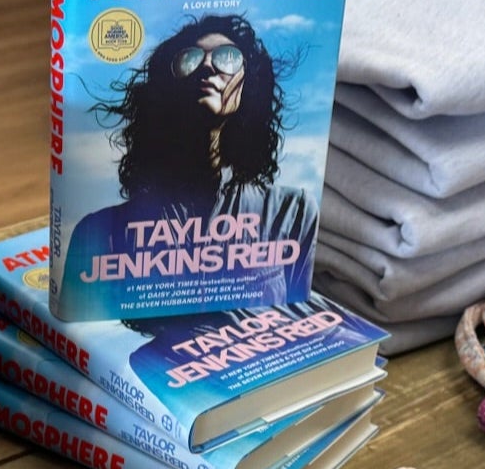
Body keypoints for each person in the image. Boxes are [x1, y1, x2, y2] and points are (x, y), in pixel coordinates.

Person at [63, 15, 316, 305]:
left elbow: (297, 326)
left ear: (250, 86)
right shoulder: (99, 234)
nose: (207, 66)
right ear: (165, 90)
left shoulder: (293, 214)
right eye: (189, 59)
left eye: (228, 58)